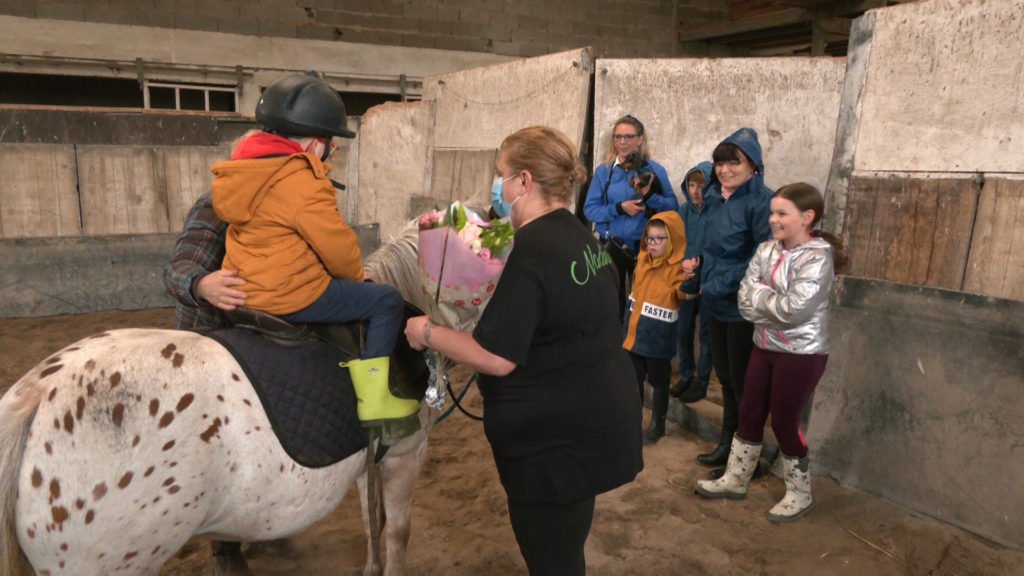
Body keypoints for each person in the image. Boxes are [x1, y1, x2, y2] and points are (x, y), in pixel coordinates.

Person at [405, 126, 643, 575]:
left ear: (525, 182)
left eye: (502, 175)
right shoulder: (580, 236)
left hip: (553, 445)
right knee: (567, 546)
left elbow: (496, 356)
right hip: (594, 421)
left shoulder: (532, 254)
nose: (500, 186)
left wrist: (426, 330)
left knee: (551, 559)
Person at [209, 71, 416, 427]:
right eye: (329, 143)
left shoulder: (240, 173)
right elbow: (336, 248)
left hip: (245, 292)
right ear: (311, 144)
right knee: (386, 301)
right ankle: (375, 399)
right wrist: (356, 274)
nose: (329, 151)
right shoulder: (301, 180)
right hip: (290, 296)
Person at [695, 182, 847, 523]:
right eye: (772, 212)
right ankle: (736, 478)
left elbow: (795, 310)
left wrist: (761, 297)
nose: (773, 220)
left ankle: (799, 492)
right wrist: (766, 301)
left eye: (782, 213)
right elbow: (744, 300)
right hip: (764, 344)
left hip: (801, 353)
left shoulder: (818, 258)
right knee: (749, 411)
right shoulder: (766, 249)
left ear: (808, 217)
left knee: (783, 421)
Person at [685, 127, 772, 476]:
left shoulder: (761, 202)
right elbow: (716, 248)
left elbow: (762, 258)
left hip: (742, 307)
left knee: (742, 381)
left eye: (733, 162)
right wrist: (699, 264)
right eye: (720, 162)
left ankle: (744, 454)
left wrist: (717, 280)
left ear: (753, 164)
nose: (724, 169)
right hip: (715, 301)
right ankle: (727, 444)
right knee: (724, 376)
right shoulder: (717, 199)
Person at [583, 114, 678, 318]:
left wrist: (650, 196)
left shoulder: (654, 170)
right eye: (617, 137)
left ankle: (634, 348)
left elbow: (673, 208)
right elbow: (589, 210)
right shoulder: (604, 172)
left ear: (640, 139)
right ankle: (613, 347)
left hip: (645, 248)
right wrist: (619, 208)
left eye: (628, 136)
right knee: (610, 306)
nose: (622, 142)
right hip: (611, 247)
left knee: (641, 307)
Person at [622, 211, 687, 445]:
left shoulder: (678, 269)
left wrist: (690, 281)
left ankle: (658, 424)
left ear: (673, 240)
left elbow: (682, 295)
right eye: (649, 238)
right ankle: (633, 420)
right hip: (635, 334)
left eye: (660, 238)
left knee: (659, 382)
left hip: (658, 339)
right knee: (633, 379)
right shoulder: (641, 260)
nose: (653, 243)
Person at [671, 162, 714, 403]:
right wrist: (682, 263)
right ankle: (686, 374)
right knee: (683, 330)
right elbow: (675, 244)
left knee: (706, 335)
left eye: (701, 186)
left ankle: (702, 380)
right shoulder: (683, 211)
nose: (696, 191)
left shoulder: (717, 211)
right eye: (692, 185)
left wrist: (703, 263)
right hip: (686, 279)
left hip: (709, 280)